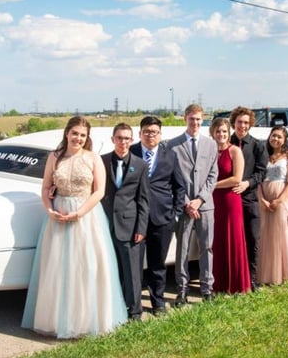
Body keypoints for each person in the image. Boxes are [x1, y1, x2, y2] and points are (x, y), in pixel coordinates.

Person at [21, 116, 127, 338]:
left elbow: (99, 191)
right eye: (75, 133)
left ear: (87, 138)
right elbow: (45, 187)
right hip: (57, 214)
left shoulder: (93, 158)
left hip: (86, 216)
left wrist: (79, 213)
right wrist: (49, 209)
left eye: (83, 135)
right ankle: (55, 320)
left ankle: (86, 321)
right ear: (67, 133)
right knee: (57, 267)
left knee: (85, 266)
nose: (78, 138)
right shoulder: (54, 157)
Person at [130, 116, 186, 316]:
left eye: (154, 132)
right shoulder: (131, 152)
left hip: (162, 219)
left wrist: (176, 214)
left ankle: (158, 303)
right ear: (140, 133)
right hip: (135, 219)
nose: (150, 135)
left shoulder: (170, 155)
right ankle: (133, 305)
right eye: (146, 131)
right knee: (134, 265)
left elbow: (179, 187)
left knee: (157, 264)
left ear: (160, 134)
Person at [168, 104, 219, 306]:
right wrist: (187, 202)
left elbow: (213, 175)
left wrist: (199, 200)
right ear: (185, 119)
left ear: (203, 119)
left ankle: (207, 288)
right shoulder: (173, 145)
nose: (195, 123)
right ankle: (181, 289)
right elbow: (172, 177)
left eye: (198, 119)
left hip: (205, 205)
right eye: (191, 119)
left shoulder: (211, 144)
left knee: (207, 247)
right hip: (183, 205)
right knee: (183, 248)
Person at [101, 123, 150, 321]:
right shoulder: (102, 161)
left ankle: (135, 312)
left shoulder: (140, 164)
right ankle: (113, 308)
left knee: (132, 273)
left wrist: (141, 228)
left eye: (127, 138)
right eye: (119, 138)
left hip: (130, 227)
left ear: (132, 140)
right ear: (113, 139)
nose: (123, 142)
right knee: (109, 270)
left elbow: (143, 199)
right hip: (104, 225)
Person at [256, 126, 288, 285]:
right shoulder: (264, 155)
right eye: (273, 136)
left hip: (283, 198)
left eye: (279, 137)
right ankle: (267, 275)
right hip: (265, 197)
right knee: (266, 235)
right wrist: (261, 198)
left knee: (282, 233)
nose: (275, 139)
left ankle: (286, 274)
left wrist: (280, 199)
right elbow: (258, 178)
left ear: (284, 140)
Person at [209, 117, 251, 294]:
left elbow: (236, 178)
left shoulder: (235, 151)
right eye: (218, 131)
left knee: (232, 239)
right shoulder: (209, 151)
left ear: (229, 133)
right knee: (216, 241)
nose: (221, 134)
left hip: (229, 200)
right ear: (212, 133)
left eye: (224, 131)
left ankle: (236, 284)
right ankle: (218, 283)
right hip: (212, 201)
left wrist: (211, 185)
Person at [229, 106, 268, 290]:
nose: (242, 126)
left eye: (246, 123)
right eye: (239, 122)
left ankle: (251, 279)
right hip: (229, 200)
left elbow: (262, 173)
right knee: (234, 241)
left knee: (253, 240)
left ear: (250, 124)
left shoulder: (258, 145)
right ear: (233, 123)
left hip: (250, 199)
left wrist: (247, 183)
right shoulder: (225, 142)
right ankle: (234, 278)